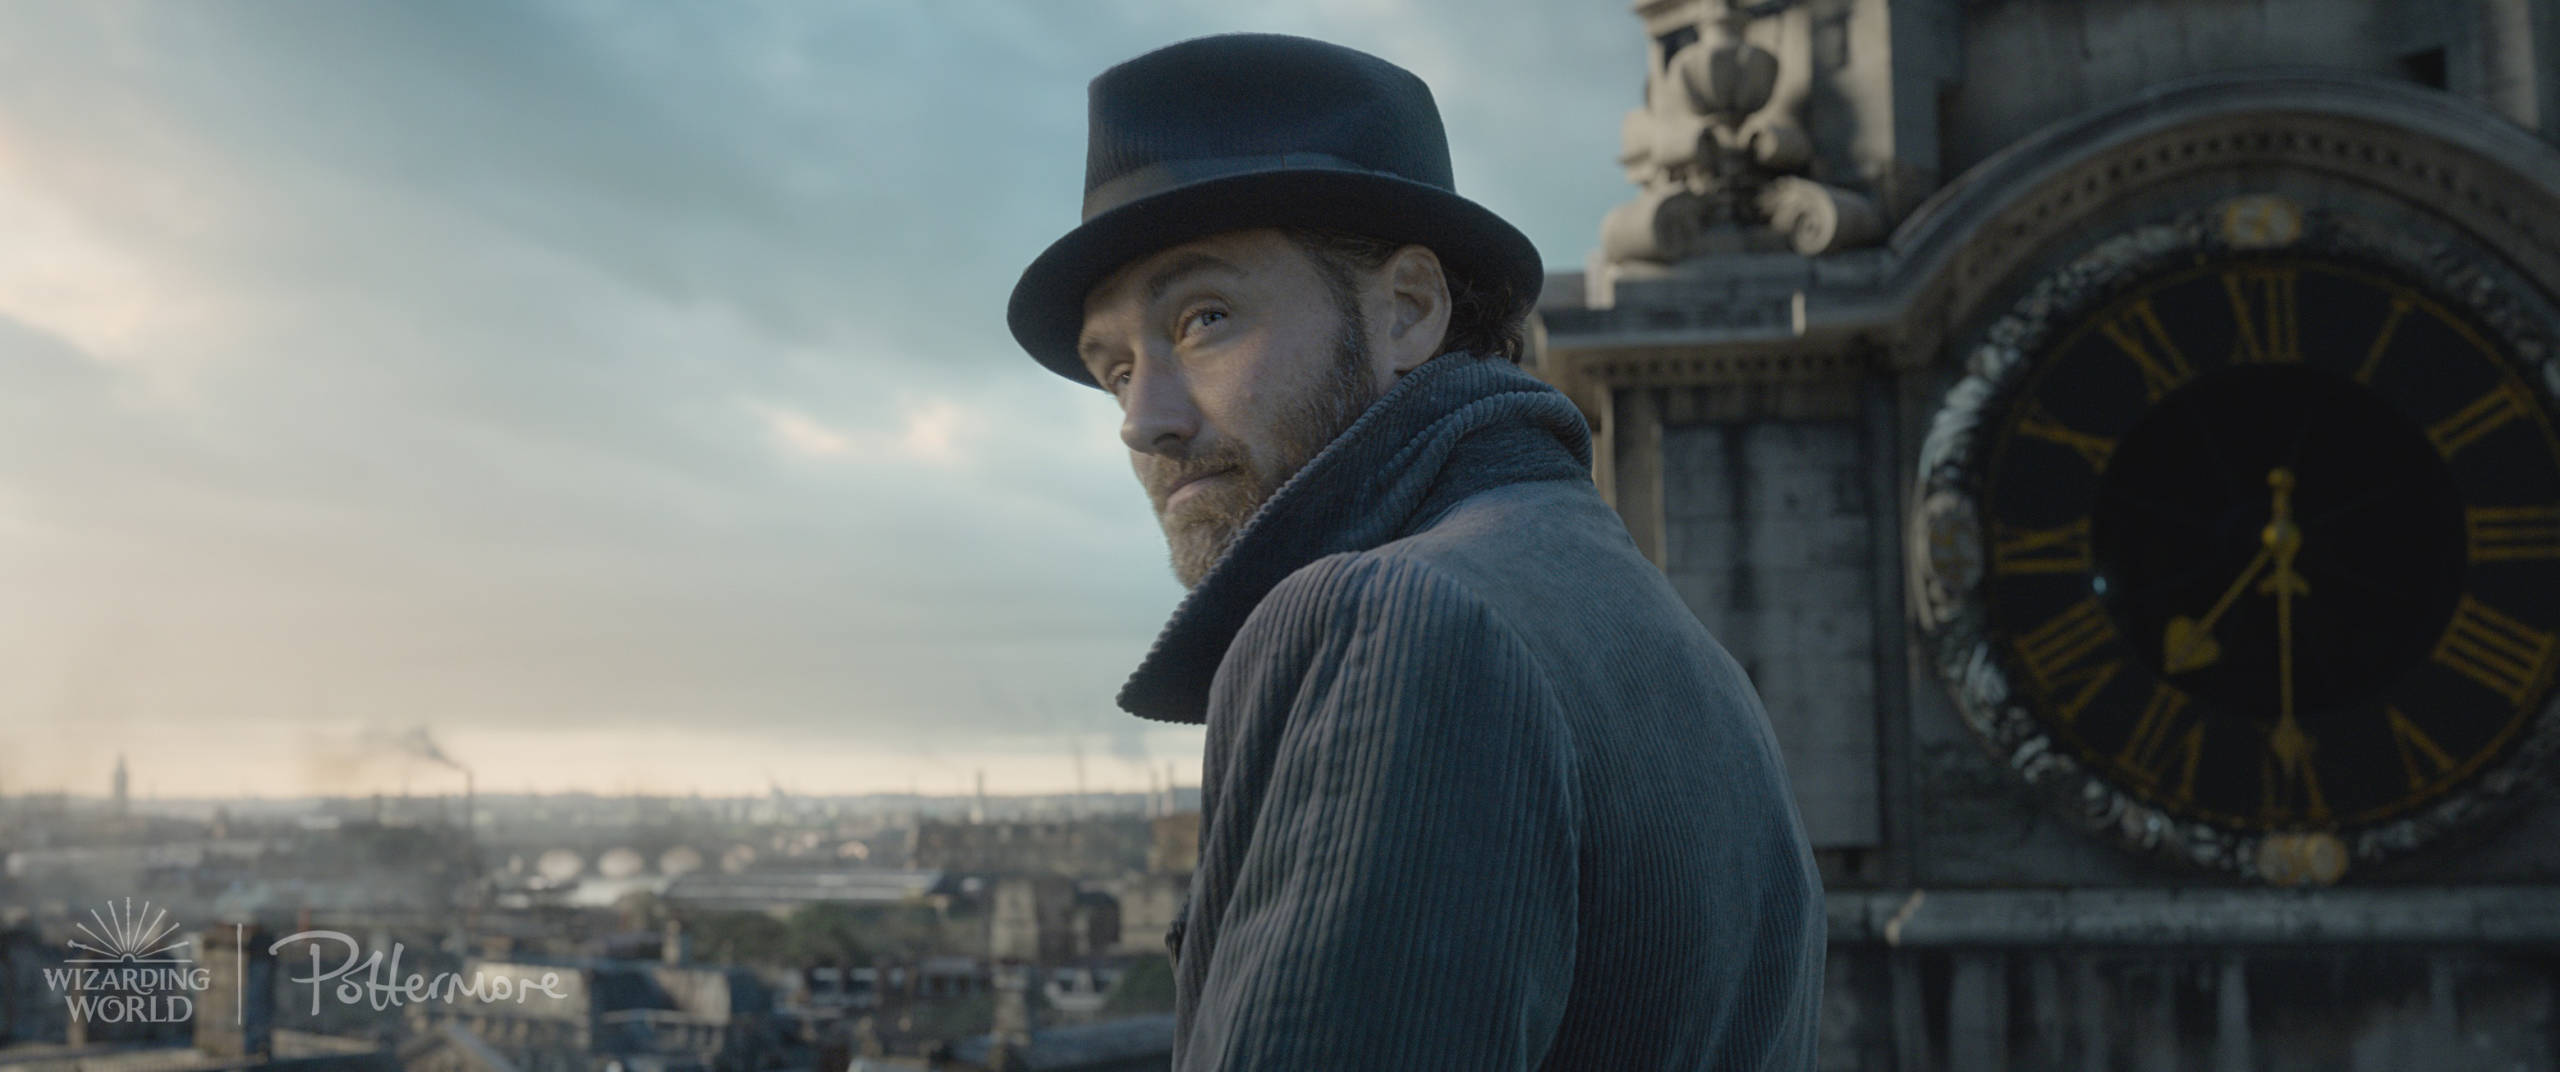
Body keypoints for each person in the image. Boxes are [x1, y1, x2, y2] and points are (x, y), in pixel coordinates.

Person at [1006, 32, 1824, 1071]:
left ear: (1407, 309)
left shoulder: (1394, 620)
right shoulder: (1667, 641)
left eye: (1204, 318)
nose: (1143, 419)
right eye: (1114, 367)